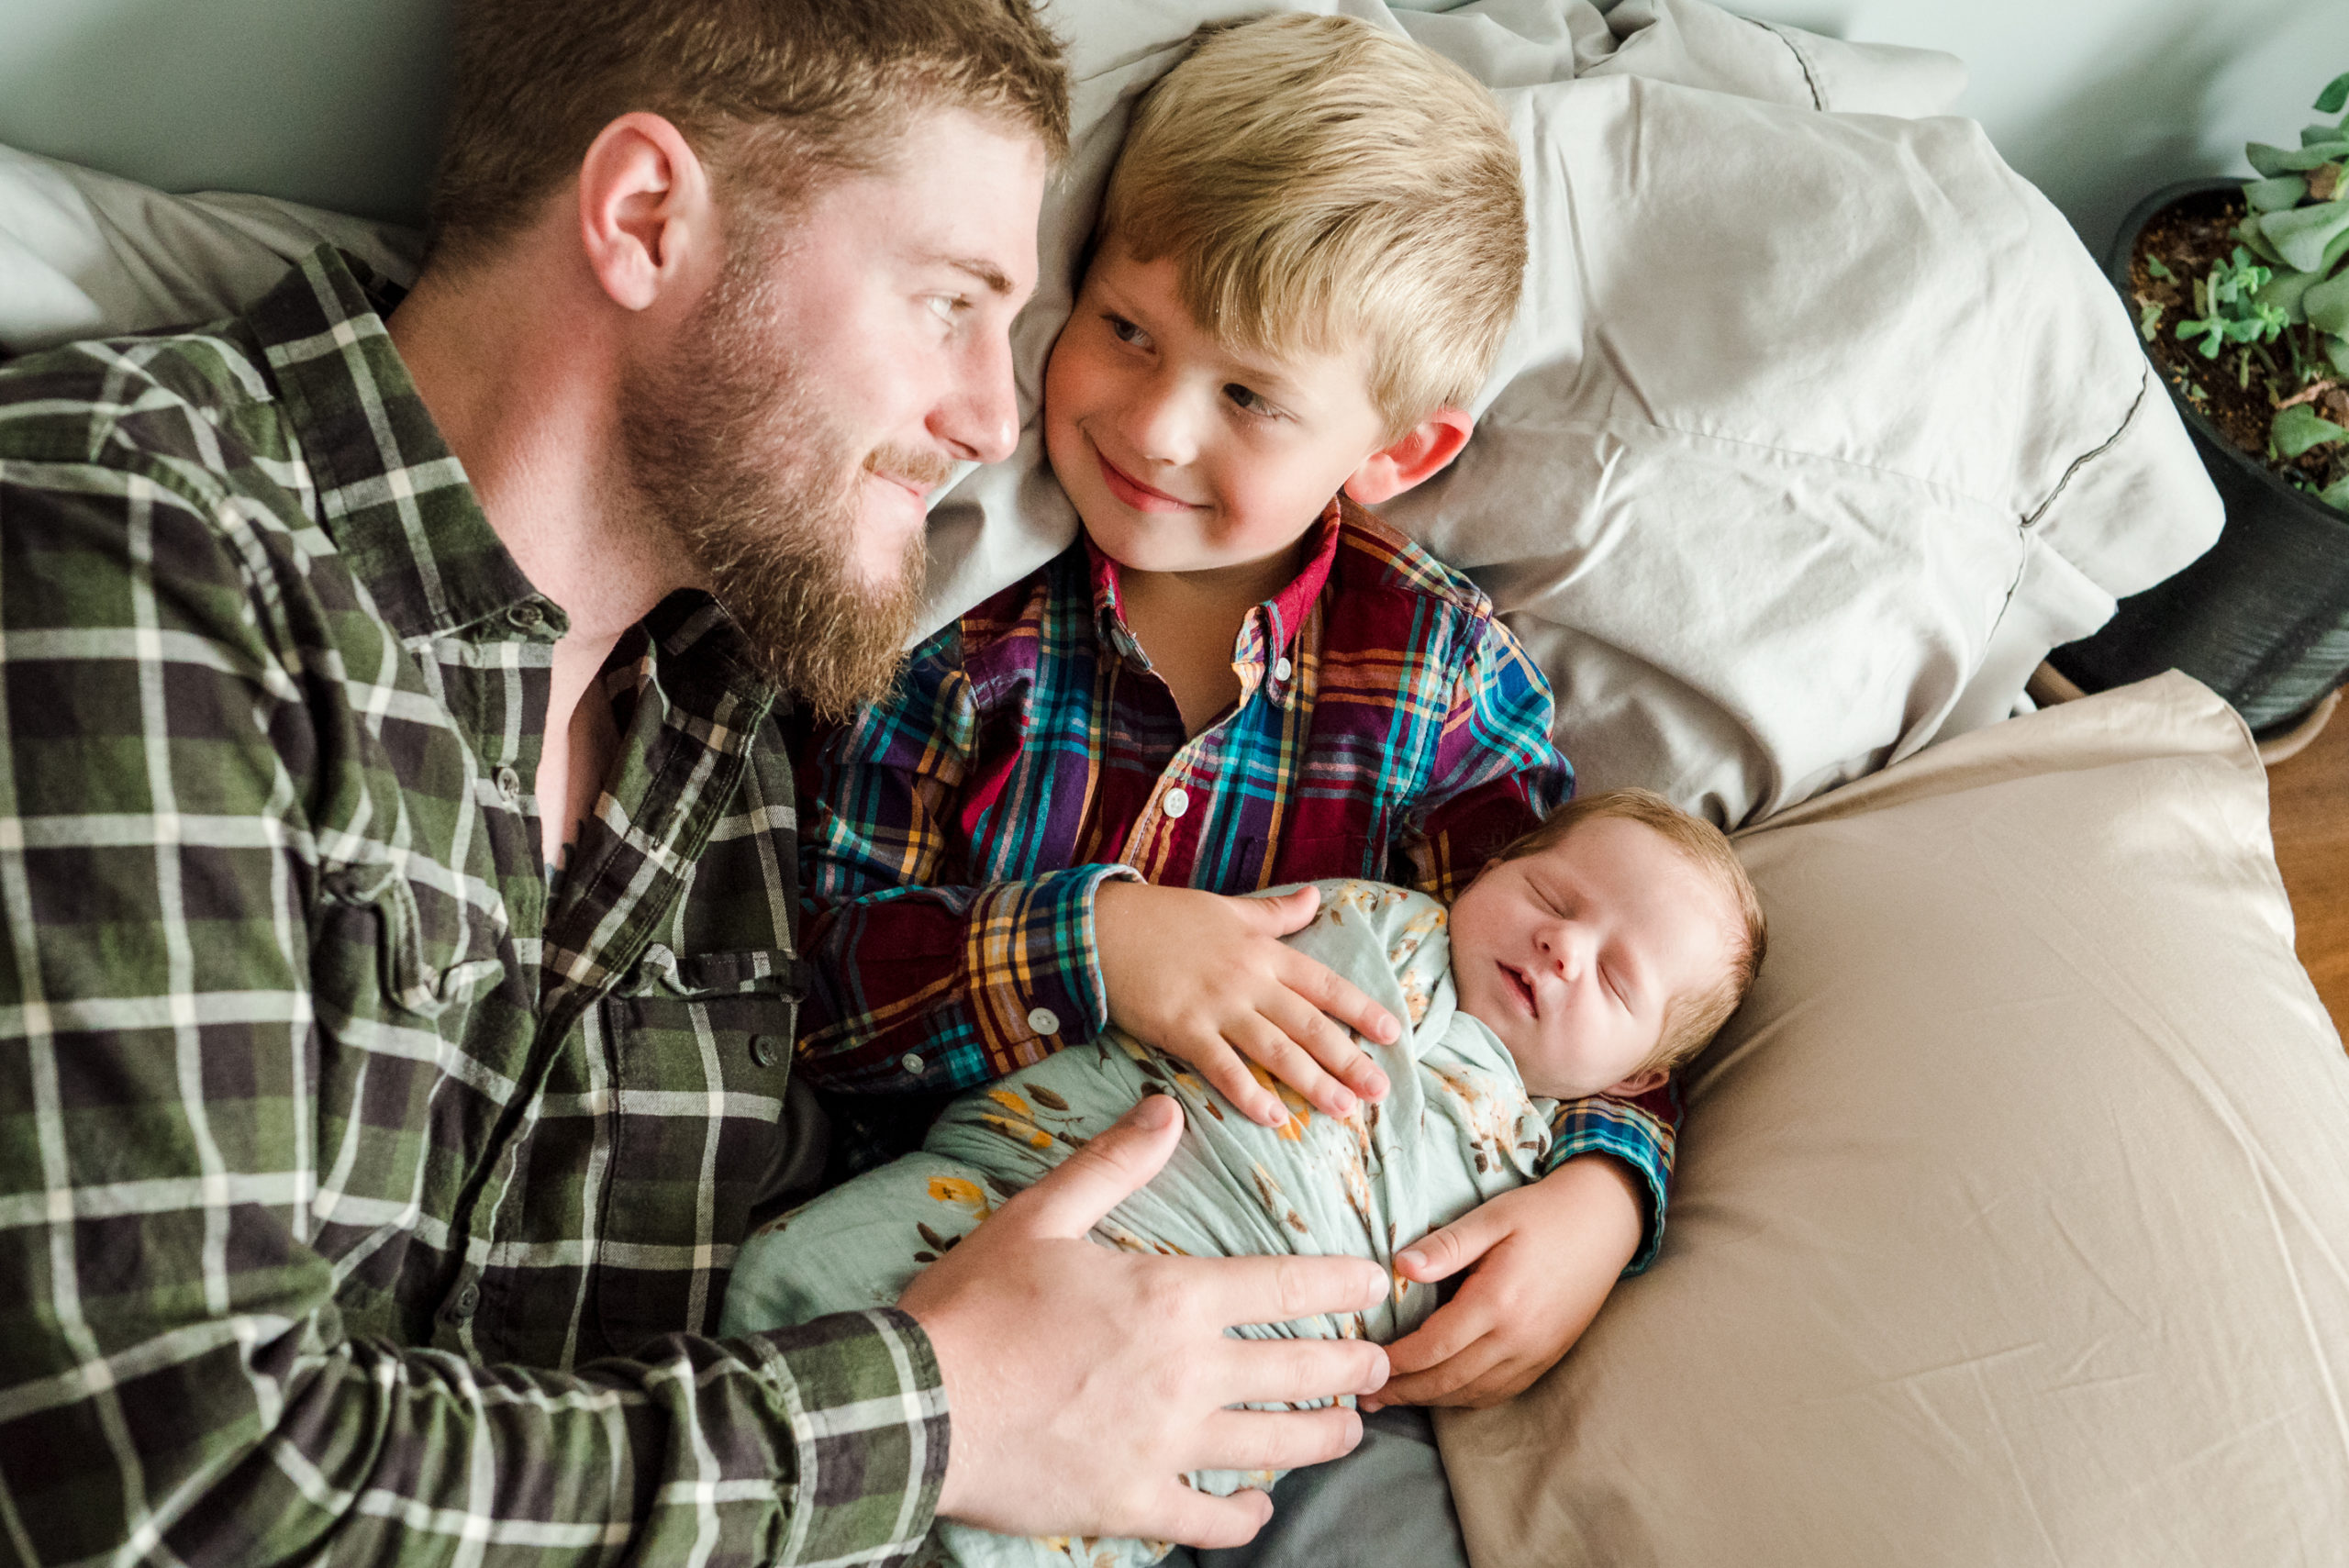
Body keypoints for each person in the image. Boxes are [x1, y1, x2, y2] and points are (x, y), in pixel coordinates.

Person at [0, 3, 1407, 1564]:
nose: (993, 420)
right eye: (949, 300)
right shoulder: (132, 537)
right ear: (647, 219)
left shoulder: (730, 753)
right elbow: (163, 1486)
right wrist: (941, 1412)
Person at [796, 10, 1678, 1451]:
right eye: (1126, 332)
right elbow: (819, 991)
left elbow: (1587, 974)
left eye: (1251, 396)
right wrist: (1097, 944)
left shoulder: (1435, 678)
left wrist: (1604, 1192)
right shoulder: (960, 630)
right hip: (933, 1254)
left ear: (1399, 452)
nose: (1153, 426)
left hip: (1273, 1316)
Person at [730, 789, 1768, 1568]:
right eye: (1550, 893)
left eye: (1617, 975)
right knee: (832, 1310)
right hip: (1047, 1180)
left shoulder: (1546, 1170)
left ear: (1635, 1077)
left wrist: (1610, 1191)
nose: (1563, 940)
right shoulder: (1375, 922)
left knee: (1099, 1483)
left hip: (1216, 1347)